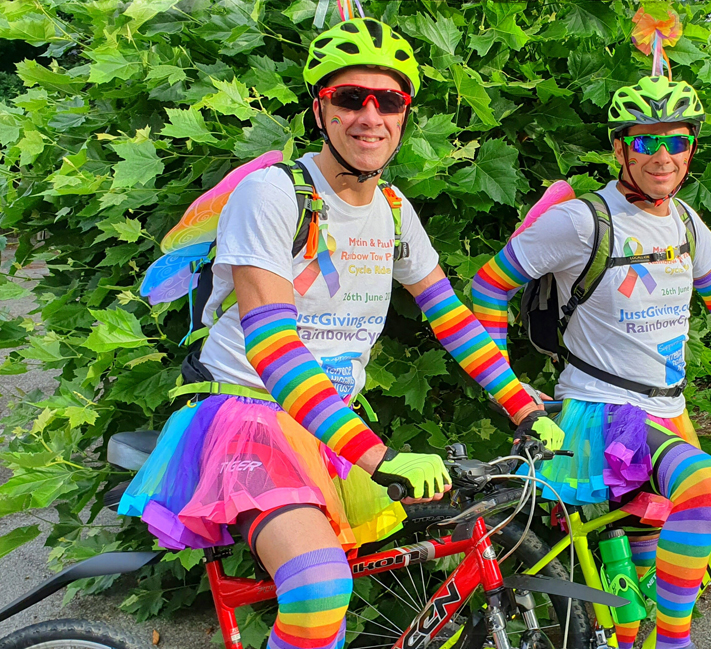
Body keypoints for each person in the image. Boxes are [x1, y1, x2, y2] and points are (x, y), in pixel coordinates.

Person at [120, 17, 562, 649]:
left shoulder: (394, 210)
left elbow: (450, 316)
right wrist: (378, 455)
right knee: (319, 584)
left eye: (389, 101)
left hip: (322, 424)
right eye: (351, 98)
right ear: (320, 109)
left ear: (406, 114)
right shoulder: (272, 193)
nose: (370, 116)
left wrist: (523, 404)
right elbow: (272, 348)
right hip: (244, 413)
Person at [471, 75, 711, 649]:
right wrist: (507, 387)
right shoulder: (583, 221)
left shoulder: (685, 221)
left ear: (691, 148)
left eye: (677, 142)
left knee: (629, 597)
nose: (662, 156)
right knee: (707, 484)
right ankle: (676, 642)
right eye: (644, 143)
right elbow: (488, 288)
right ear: (619, 149)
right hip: (601, 416)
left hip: (667, 415)